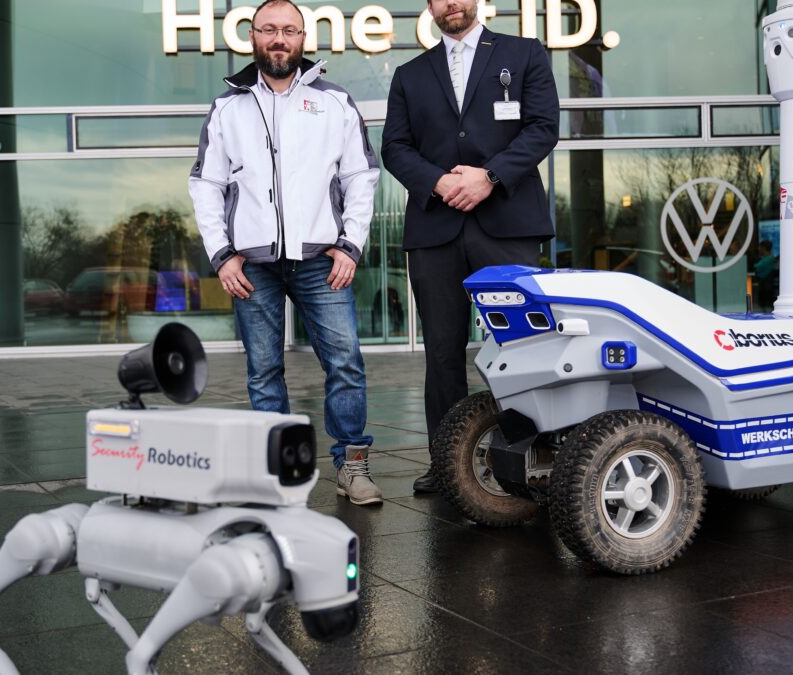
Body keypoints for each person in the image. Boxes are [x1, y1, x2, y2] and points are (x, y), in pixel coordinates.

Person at [189, 0, 382, 505]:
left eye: (289, 31)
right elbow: (206, 185)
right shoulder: (228, 108)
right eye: (269, 29)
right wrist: (222, 255)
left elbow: (360, 176)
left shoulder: (334, 102)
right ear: (252, 37)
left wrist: (351, 246)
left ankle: (353, 466)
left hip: (323, 259)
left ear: (303, 38)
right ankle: (277, 472)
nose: (280, 39)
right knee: (263, 370)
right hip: (251, 264)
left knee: (345, 362)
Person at [381, 0, 559, 493]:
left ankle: (534, 456)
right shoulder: (410, 74)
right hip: (435, 229)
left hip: (507, 222)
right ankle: (447, 465)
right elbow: (394, 146)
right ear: (431, 6)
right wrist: (439, 183)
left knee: (522, 344)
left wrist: (490, 177)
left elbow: (543, 127)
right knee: (441, 352)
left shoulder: (524, 54)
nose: (451, 3)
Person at [754, 239, 778, 311]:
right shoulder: (768, 258)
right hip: (765, 288)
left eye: (760, 247)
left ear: (763, 248)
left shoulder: (768, 259)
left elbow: (756, 267)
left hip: (766, 288)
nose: (758, 249)